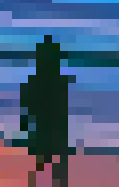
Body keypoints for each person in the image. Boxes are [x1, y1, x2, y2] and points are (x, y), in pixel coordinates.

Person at [20, 36, 75, 187]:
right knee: (49, 162)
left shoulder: (40, 79)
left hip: (48, 125)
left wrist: (24, 124)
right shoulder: (58, 80)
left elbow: (28, 104)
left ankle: (39, 182)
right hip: (49, 125)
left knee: (45, 162)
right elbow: (29, 104)